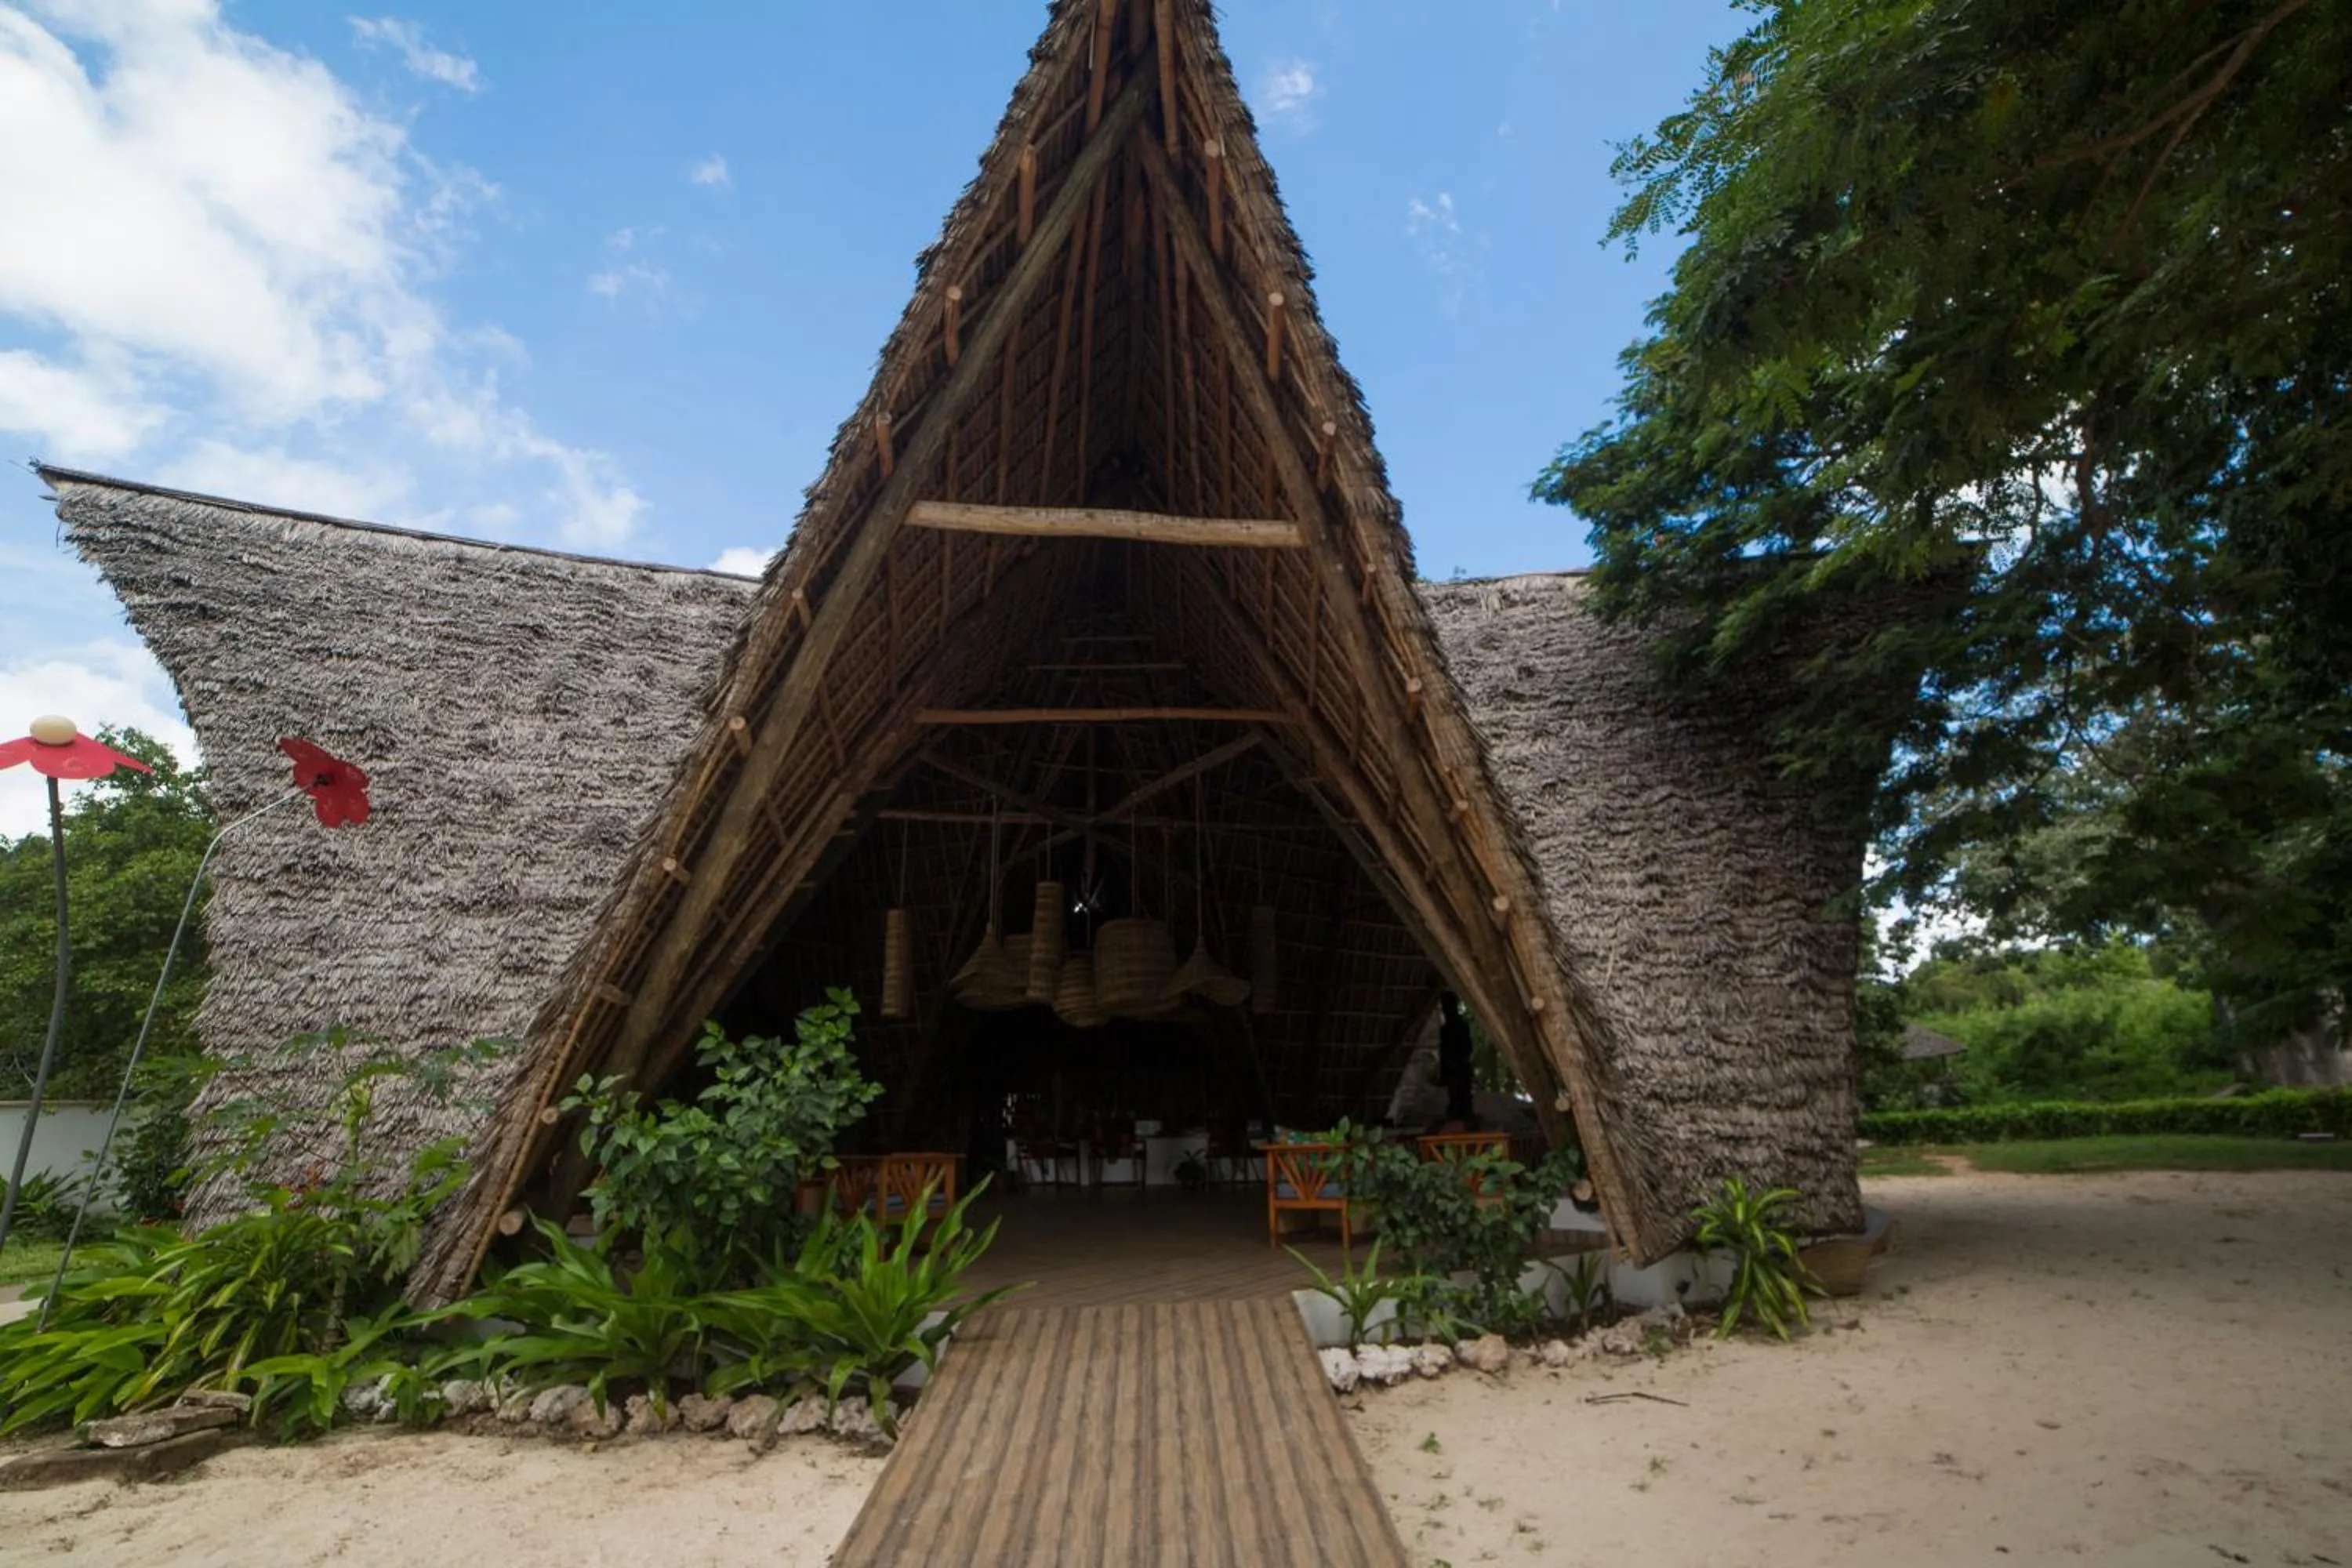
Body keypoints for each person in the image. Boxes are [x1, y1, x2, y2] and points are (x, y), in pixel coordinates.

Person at [1436, 991, 1475, 1127]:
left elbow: (1467, 1049)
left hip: (1459, 1068)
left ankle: (1464, 1119)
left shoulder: (1456, 1027)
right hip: (1455, 1069)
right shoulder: (1449, 1029)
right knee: (1457, 1096)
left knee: (1461, 1095)